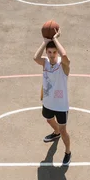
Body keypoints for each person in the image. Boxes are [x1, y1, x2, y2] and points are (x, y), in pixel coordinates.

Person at [33, 28, 71, 166]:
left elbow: (65, 55)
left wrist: (55, 39)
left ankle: (67, 152)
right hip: (48, 102)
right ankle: (56, 133)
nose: (52, 55)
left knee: (64, 130)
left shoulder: (63, 65)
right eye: (49, 52)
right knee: (49, 120)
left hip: (61, 105)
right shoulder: (45, 63)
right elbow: (35, 57)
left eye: (54, 52)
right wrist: (45, 42)